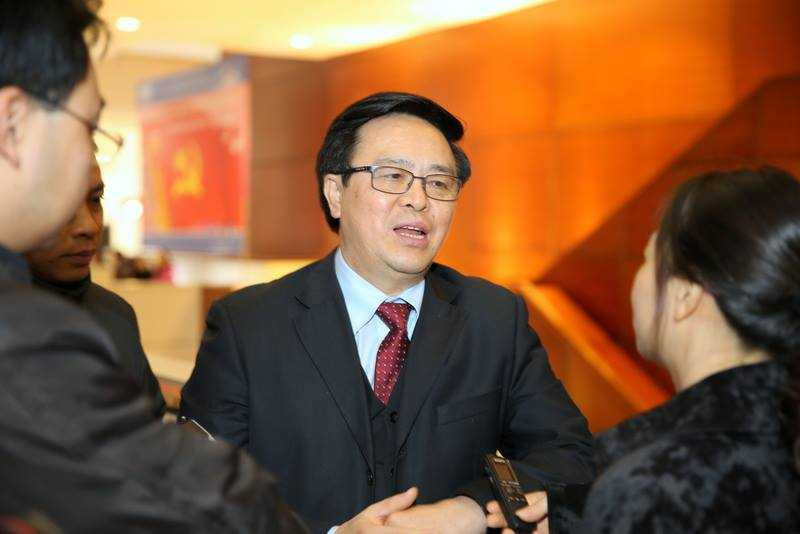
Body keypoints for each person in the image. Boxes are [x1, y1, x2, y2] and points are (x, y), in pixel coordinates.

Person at [0, 2, 420, 531]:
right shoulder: (22, 333)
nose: (90, 156)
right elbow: (184, 496)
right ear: (13, 124)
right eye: (88, 126)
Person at [180, 91, 595, 533]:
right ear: (335, 193)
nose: (418, 199)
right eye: (393, 176)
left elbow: (570, 457)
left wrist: (472, 510)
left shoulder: (493, 318)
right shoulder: (248, 325)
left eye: (439, 183)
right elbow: (197, 495)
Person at [497, 167, 800, 533]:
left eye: (648, 257)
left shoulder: (658, 485)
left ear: (685, 294)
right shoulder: (769, 441)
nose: (639, 280)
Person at [25, 159, 166, 418]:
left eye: (95, 199)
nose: (90, 226)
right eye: (63, 203)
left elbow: (149, 425)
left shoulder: (116, 313)